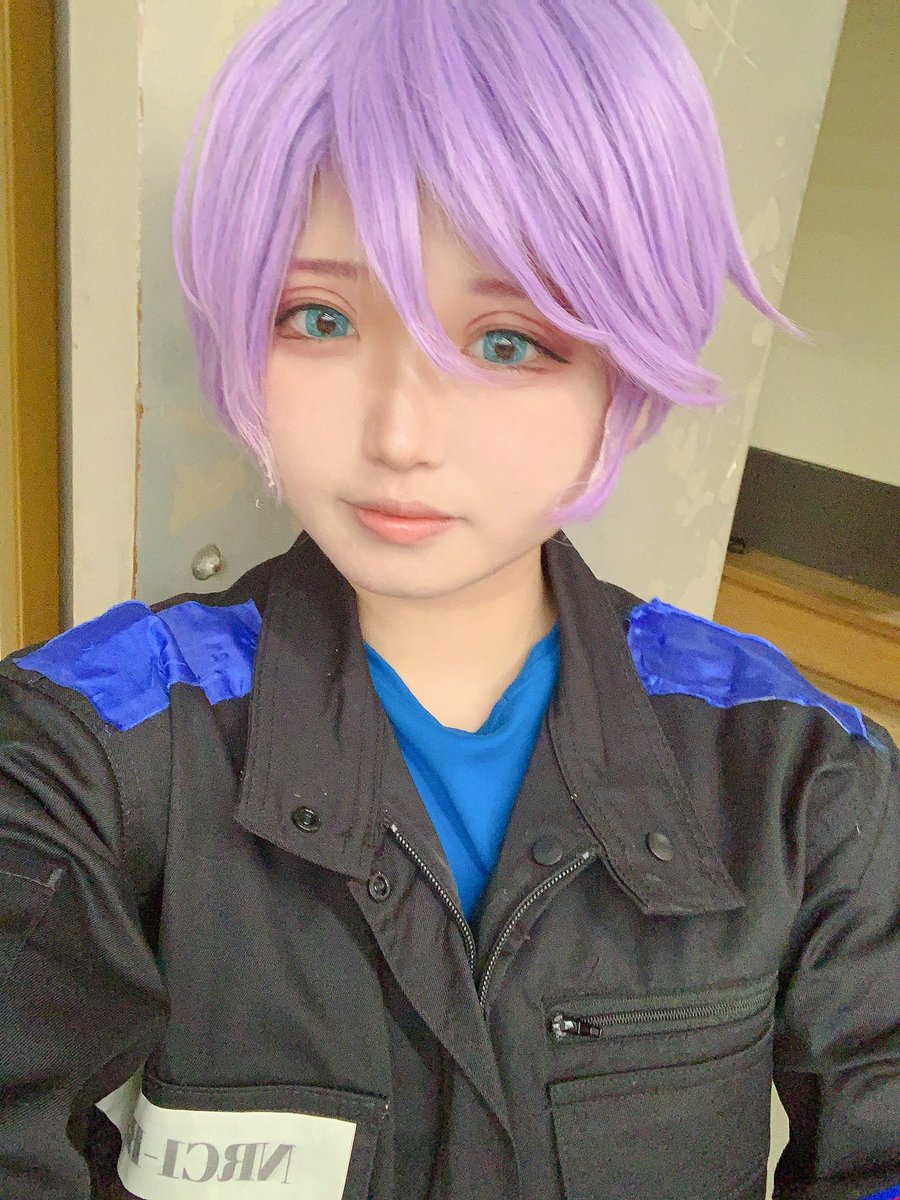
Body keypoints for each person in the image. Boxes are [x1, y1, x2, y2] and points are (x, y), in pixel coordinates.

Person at [0, 0, 897, 1197]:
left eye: (506, 340)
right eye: (320, 318)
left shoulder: (796, 772)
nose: (400, 434)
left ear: (623, 363)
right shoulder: (92, 745)